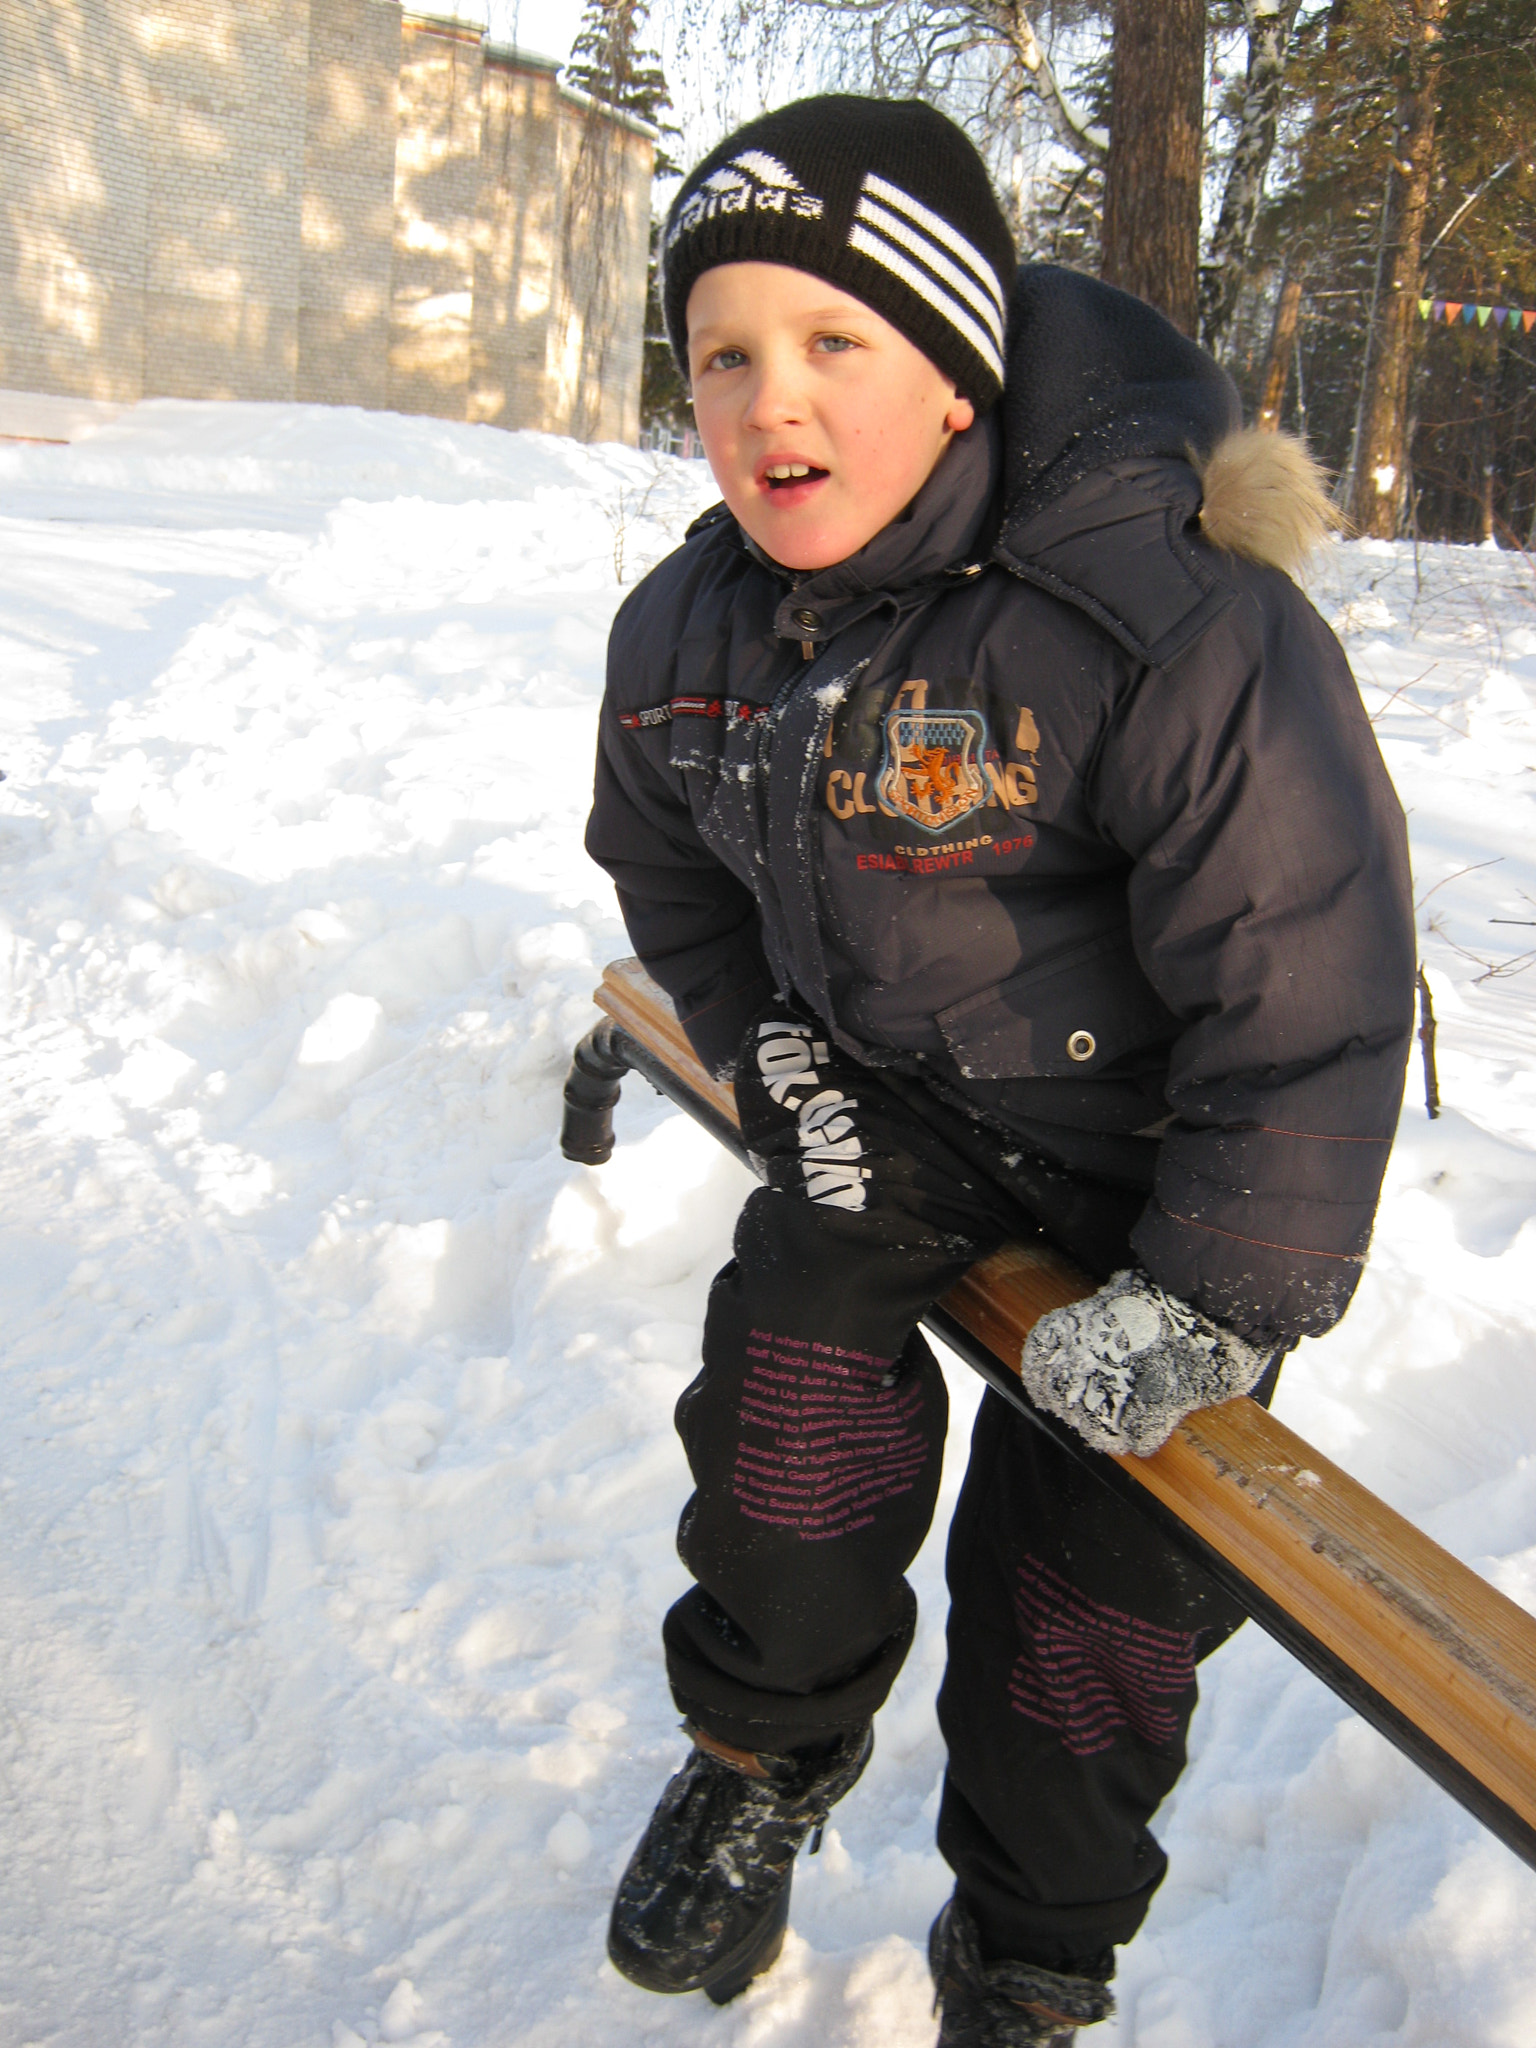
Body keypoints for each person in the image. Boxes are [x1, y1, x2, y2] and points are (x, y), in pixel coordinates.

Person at [584, 94, 1415, 2045]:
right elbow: (665, 859)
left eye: (833, 343)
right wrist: (780, 1056)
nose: (768, 398)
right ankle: (761, 1755)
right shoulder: (693, 628)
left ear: (958, 378)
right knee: (787, 1427)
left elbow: (1309, 962)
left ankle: (1033, 1957)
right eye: (724, 352)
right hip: (904, 1113)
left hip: (1165, 1184)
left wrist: (1217, 1296)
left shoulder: (1158, 617)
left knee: (1089, 1610)